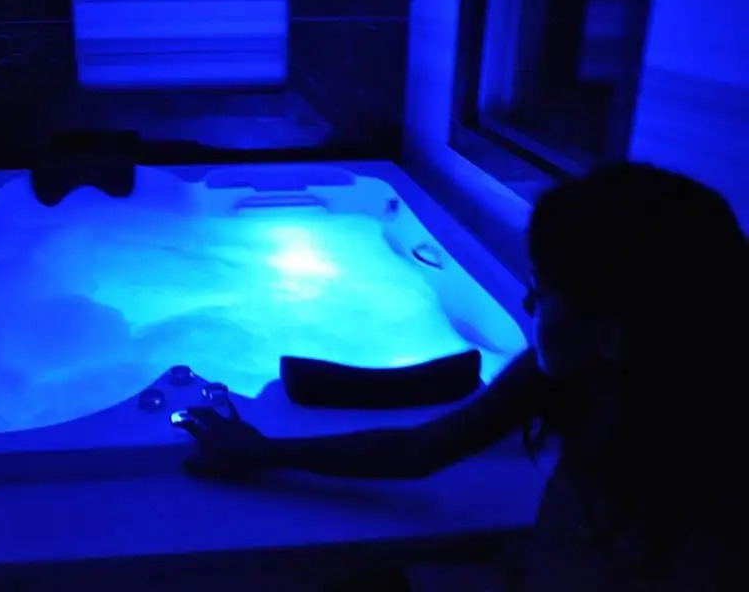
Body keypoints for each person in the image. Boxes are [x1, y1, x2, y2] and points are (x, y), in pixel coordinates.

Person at [177, 162, 748, 591]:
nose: (526, 303)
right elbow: (421, 449)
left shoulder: (718, 488)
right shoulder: (565, 371)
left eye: (544, 289)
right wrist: (268, 451)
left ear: (611, 331)